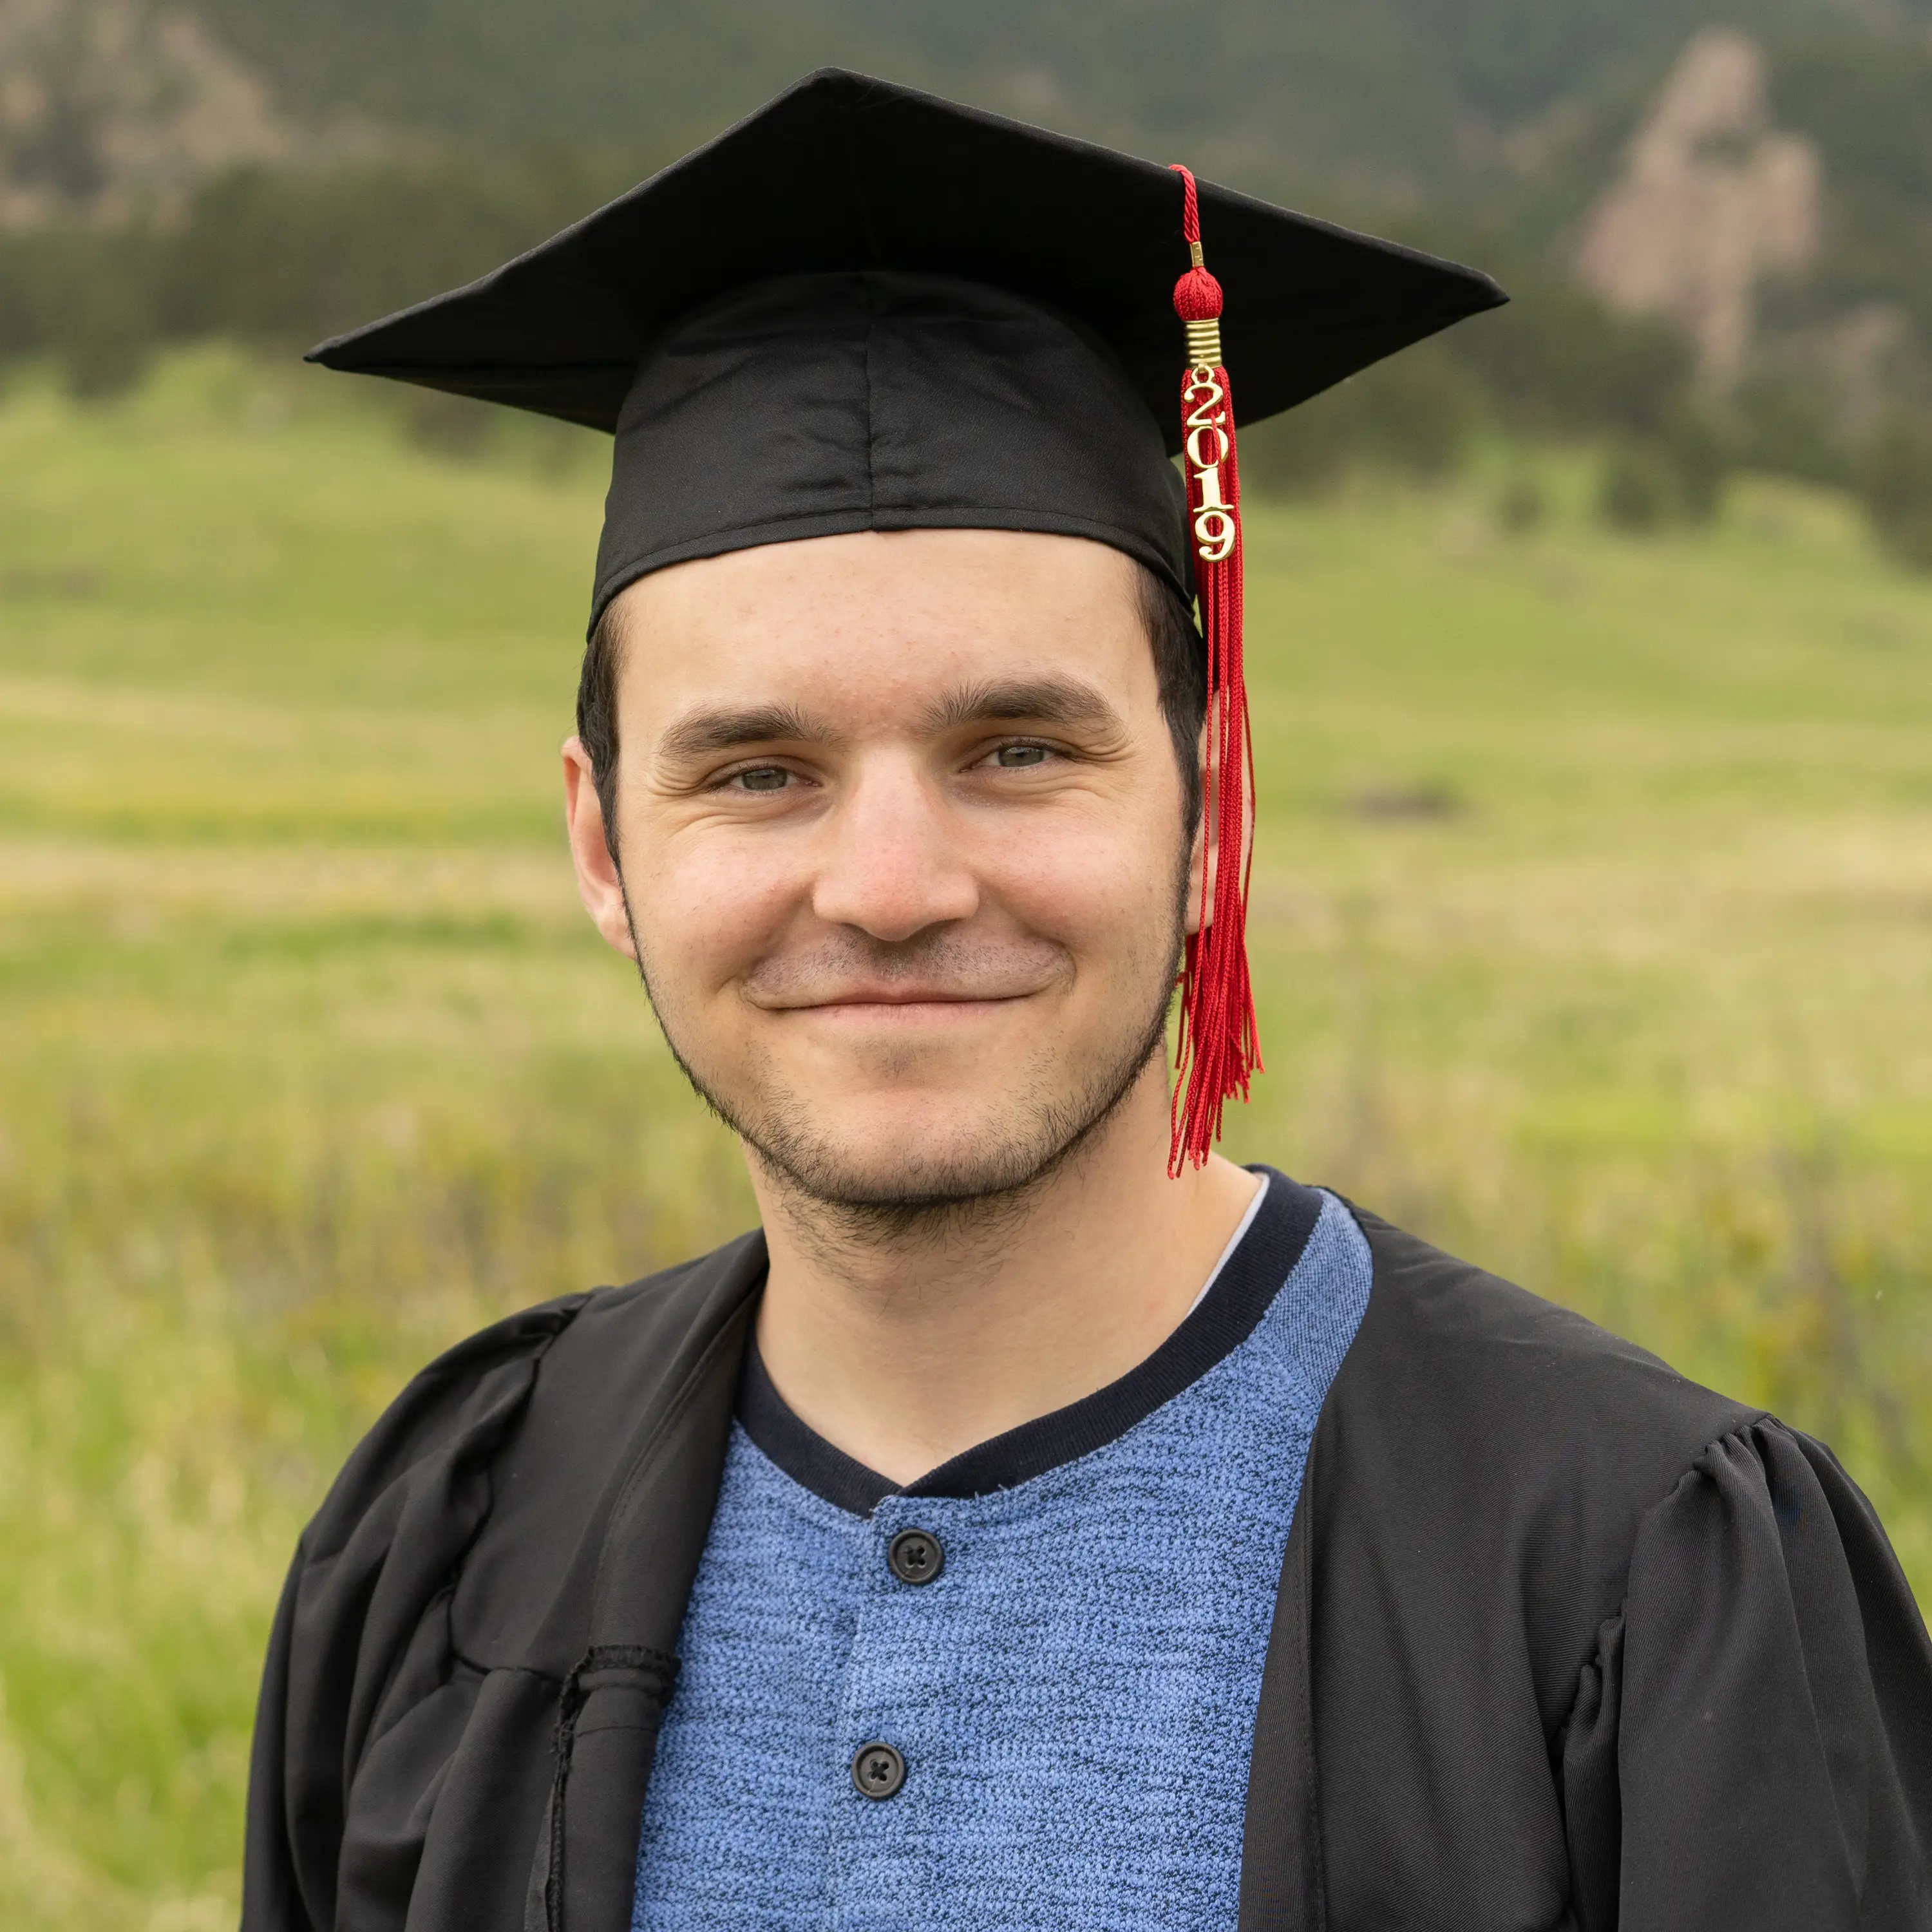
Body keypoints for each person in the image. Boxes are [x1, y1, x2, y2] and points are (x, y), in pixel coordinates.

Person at [242, 68, 1932, 1932]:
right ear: (600, 844)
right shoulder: (455, 1527)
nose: (889, 888)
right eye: (755, 772)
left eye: (1019, 749)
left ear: (1211, 812)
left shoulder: (1633, 1565)